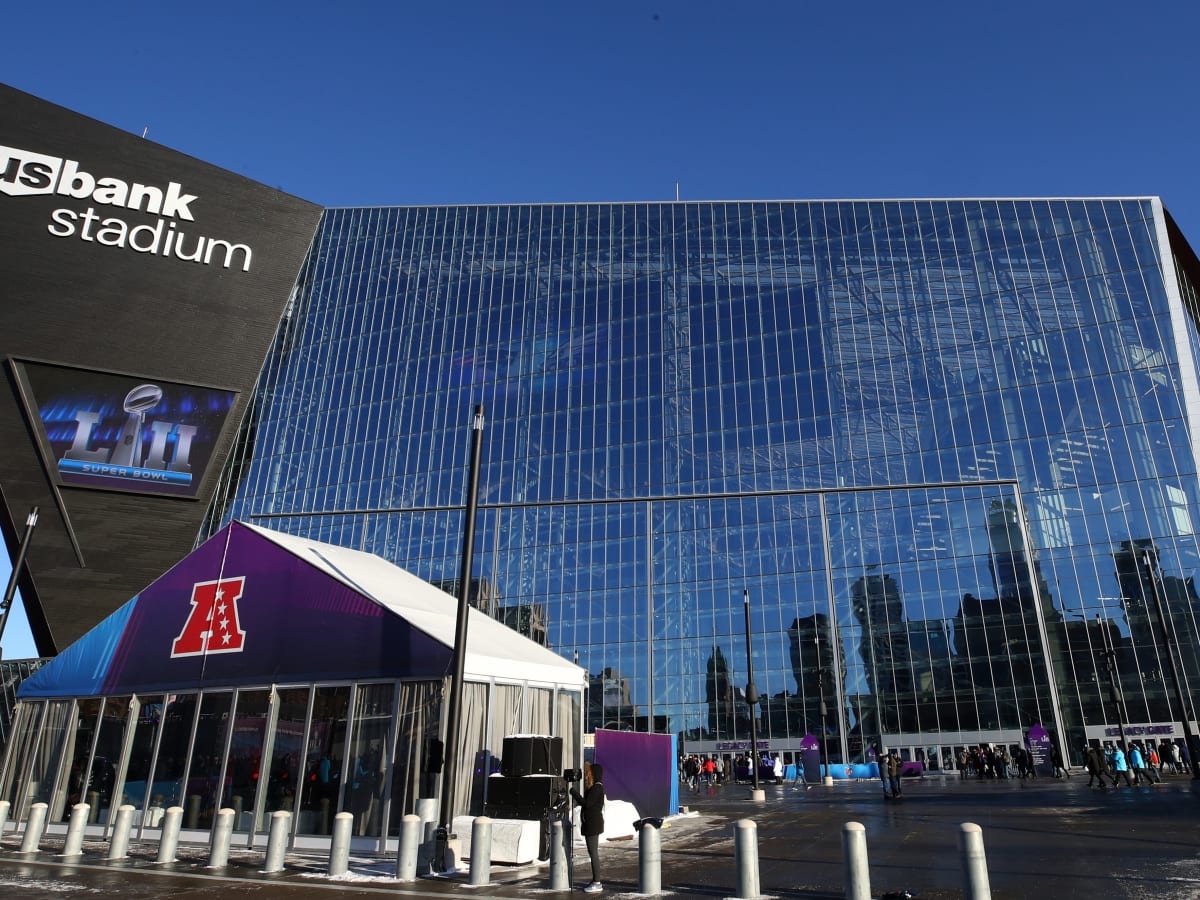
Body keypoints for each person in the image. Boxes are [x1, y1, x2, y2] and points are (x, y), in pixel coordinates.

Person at [571, 762, 606, 893]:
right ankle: (595, 880)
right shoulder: (595, 787)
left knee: (594, 853)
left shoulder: (597, 788)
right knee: (593, 853)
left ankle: (597, 881)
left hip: (593, 824)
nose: (587, 775)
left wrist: (574, 793)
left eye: (589, 773)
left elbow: (587, 803)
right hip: (591, 824)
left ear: (595, 774)